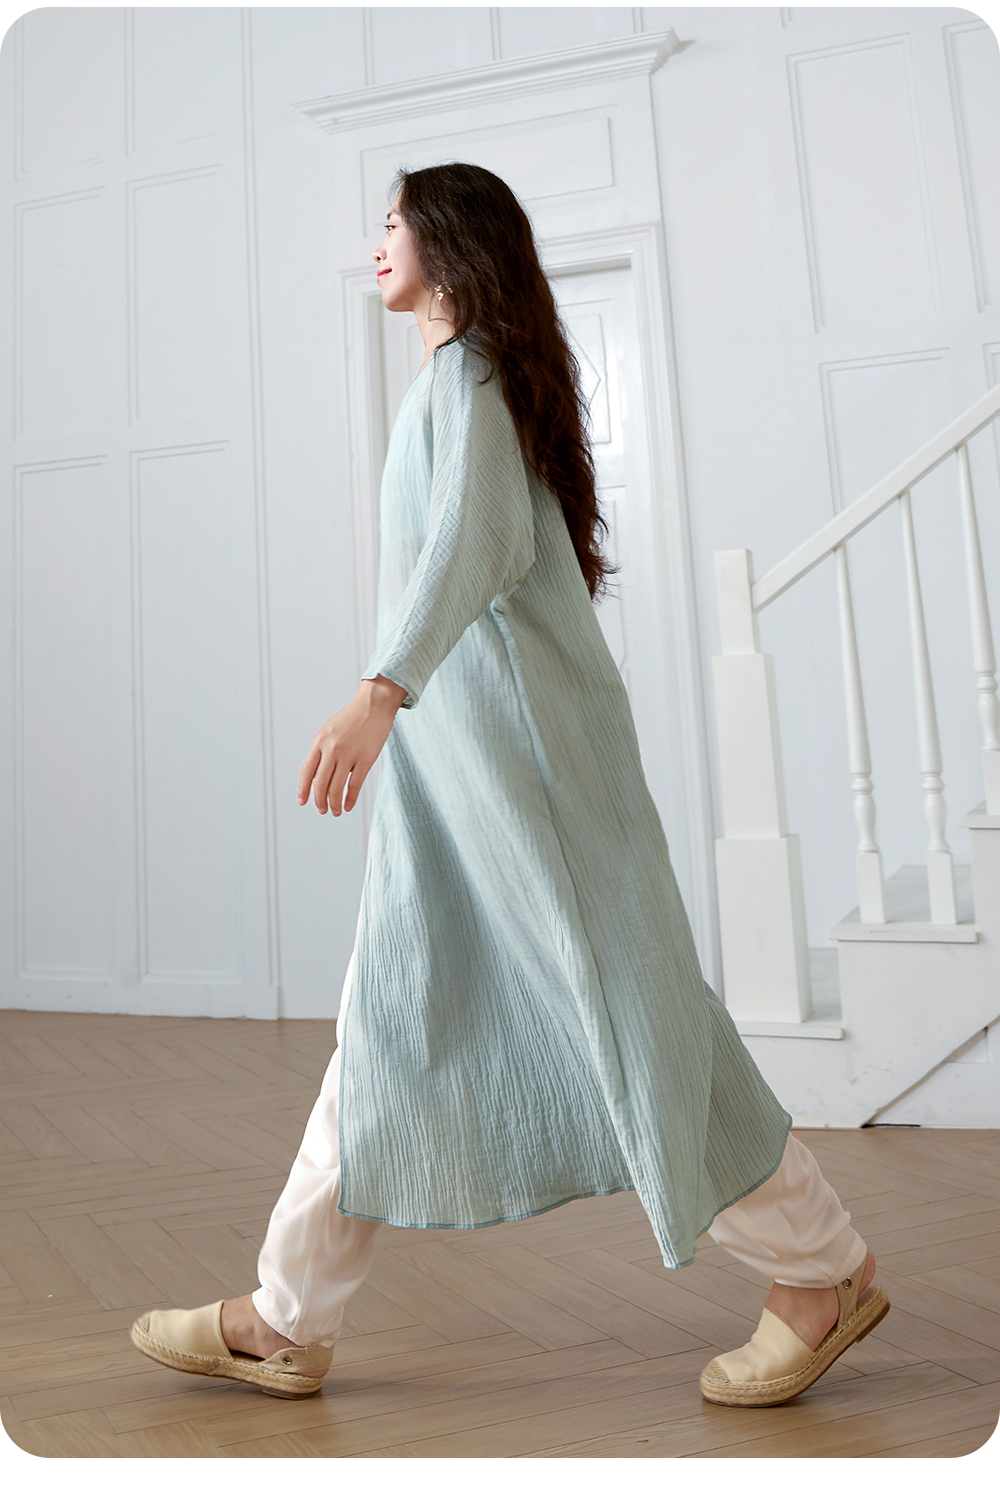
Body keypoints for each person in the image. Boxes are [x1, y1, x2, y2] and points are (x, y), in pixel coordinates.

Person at [130, 163, 888, 1410]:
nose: (376, 242)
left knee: (634, 1029)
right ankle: (284, 1317)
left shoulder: (472, 379)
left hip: (531, 787)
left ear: (449, 239)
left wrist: (379, 690)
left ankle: (823, 1273)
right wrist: (397, 707)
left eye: (393, 223)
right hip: (457, 789)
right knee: (389, 1024)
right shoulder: (453, 383)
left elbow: (469, 546)